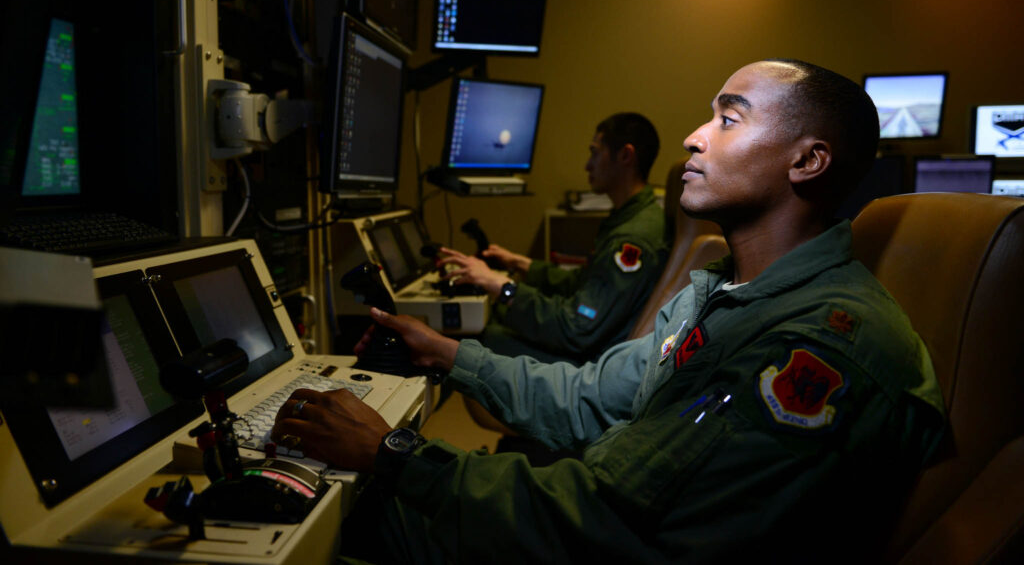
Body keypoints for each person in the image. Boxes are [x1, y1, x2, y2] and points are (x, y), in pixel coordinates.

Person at [271, 59, 946, 563]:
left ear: (808, 160)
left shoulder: (815, 349)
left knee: (336, 530)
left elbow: (603, 519)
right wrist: (450, 353)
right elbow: (591, 396)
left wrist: (394, 455)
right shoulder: (720, 291)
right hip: (594, 521)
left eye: (728, 118)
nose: (692, 136)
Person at [438, 112, 668, 365]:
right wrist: (520, 264)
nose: (587, 165)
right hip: (593, 344)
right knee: (496, 319)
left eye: (595, 152)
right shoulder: (632, 217)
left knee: (481, 339)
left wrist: (501, 287)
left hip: (591, 367)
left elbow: (577, 327)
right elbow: (583, 283)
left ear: (625, 156)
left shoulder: (632, 240)